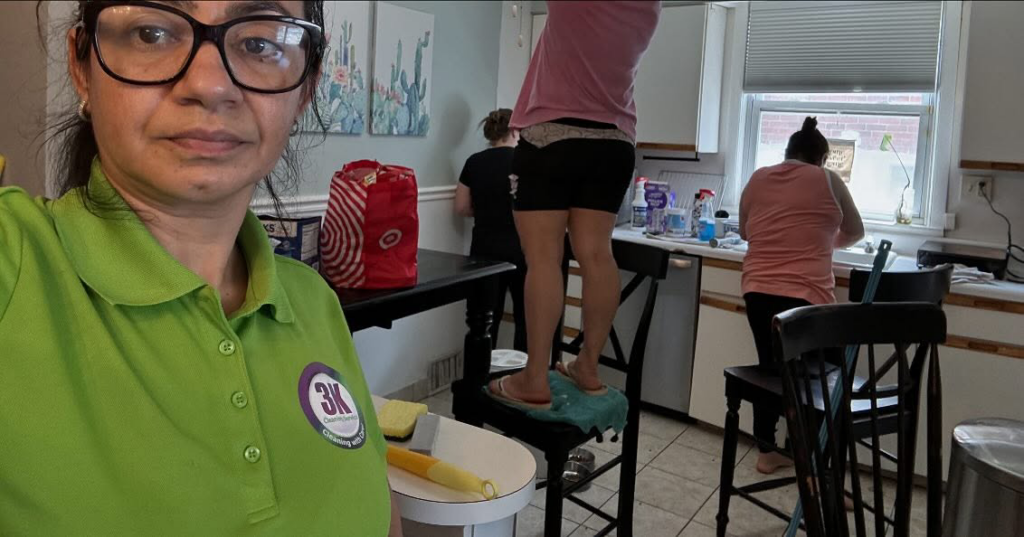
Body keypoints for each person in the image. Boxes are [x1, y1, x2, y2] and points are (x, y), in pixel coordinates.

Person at [0, 2, 401, 535]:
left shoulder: (312, 299)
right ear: (82, 66)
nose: (210, 85)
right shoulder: (16, 261)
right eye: (151, 32)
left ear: (305, 88)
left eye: (259, 43)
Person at [487, 1, 661, 409]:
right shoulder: (650, 7)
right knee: (598, 255)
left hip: (553, 134)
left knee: (544, 258)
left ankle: (533, 378)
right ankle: (589, 367)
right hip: (615, 141)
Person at [739, 116, 865, 474]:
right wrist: (824, 241)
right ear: (822, 159)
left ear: (787, 153)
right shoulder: (829, 180)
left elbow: (748, 232)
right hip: (808, 300)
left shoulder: (759, 177)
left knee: (770, 370)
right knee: (826, 379)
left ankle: (766, 451)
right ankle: (816, 460)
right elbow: (855, 230)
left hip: (758, 292)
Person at [455, 109, 527, 352]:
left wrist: (487, 210)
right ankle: (521, 379)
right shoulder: (524, 161)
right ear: (515, 130)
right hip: (521, 248)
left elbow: (462, 207)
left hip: (484, 249)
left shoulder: (474, 162)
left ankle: (481, 377)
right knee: (525, 318)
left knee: (483, 320)